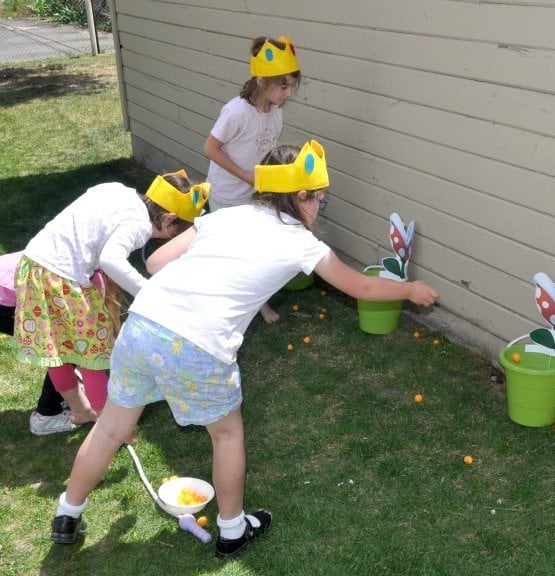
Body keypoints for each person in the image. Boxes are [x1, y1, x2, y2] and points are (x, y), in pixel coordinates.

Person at [49, 140, 439, 559]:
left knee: (110, 427)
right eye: (320, 200)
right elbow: (360, 285)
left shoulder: (224, 217)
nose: (320, 208)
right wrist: (410, 289)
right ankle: (232, 530)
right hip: (197, 344)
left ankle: (68, 513)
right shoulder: (302, 244)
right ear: (301, 196)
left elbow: (157, 263)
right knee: (226, 433)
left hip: (142, 325)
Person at [14, 170, 209, 425]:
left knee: (57, 348)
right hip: (63, 281)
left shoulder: (118, 189)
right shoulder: (138, 225)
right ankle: (110, 425)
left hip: (34, 268)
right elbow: (110, 259)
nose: (168, 240)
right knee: (93, 352)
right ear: (170, 218)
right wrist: (149, 292)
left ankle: (81, 410)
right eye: (174, 233)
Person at [203, 35, 301, 324]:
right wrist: (246, 176)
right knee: (230, 254)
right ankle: (223, 306)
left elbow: (266, 151)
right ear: (261, 80)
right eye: (283, 85)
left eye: (292, 85)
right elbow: (210, 148)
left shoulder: (276, 112)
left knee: (255, 251)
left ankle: (259, 304)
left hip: (255, 194)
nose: (288, 93)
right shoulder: (236, 112)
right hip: (227, 194)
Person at [0, 250, 76, 435]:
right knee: (69, 344)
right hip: (6, 299)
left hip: (10, 284)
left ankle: (66, 395)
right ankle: (47, 416)